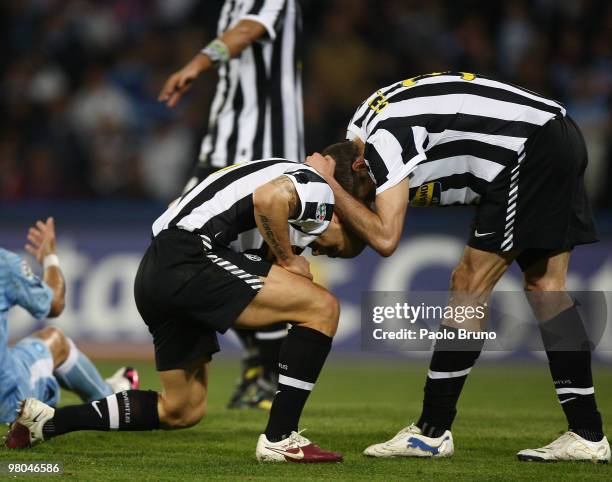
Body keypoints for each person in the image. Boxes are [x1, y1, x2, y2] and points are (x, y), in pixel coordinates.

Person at [306, 71, 611, 463]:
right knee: (545, 287)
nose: (365, 209)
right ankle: (587, 434)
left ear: (361, 167)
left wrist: (331, 189)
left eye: (362, 200)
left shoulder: (381, 145)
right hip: (551, 135)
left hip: (529, 148)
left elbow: (384, 238)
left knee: (469, 283)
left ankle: (432, 431)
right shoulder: (364, 138)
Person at [6, 157, 363, 463]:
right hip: (189, 257)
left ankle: (48, 422)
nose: (322, 251)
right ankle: (280, 437)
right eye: (338, 247)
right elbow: (268, 199)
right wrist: (287, 259)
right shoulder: (320, 191)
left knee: (182, 409)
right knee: (322, 307)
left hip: (157, 269)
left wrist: (280, 262)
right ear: (339, 218)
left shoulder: (275, 181)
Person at [158, 0, 304, 409]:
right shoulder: (228, 5)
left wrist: (196, 64)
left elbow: (246, 32)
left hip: (264, 149)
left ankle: (269, 373)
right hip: (220, 146)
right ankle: (258, 362)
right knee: (175, 242)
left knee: (262, 260)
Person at [1, 217, 139, 432]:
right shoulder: (4, 264)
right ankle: (108, 397)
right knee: (55, 340)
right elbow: (54, 304)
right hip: (7, 401)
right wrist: (49, 258)